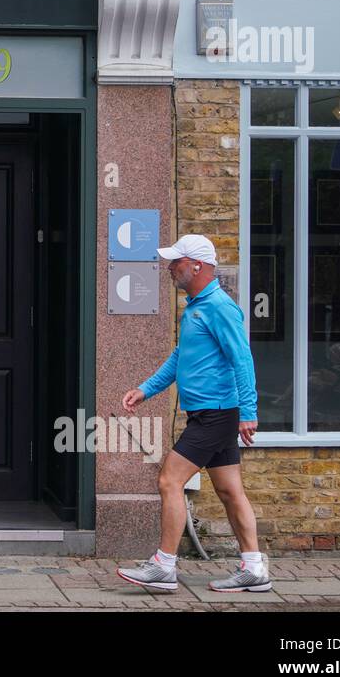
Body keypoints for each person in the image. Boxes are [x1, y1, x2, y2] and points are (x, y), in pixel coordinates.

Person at [117, 234, 271, 593]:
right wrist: (145, 389)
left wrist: (249, 412)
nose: (170, 268)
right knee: (230, 490)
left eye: (177, 262)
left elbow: (242, 359)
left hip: (216, 415)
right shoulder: (196, 307)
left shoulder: (218, 306)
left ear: (197, 266)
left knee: (169, 481)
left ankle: (163, 567)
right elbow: (179, 358)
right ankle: (254, 569)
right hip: (211, 414)